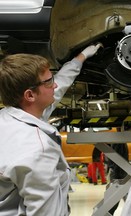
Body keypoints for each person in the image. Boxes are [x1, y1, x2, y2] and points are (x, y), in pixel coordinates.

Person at [0, 43, 102, 215]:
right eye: (48, 82)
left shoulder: (11, 118)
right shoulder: (36, 150)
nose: (54, 85)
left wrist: (81, 58)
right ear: (29, 95)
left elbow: (61, 84)